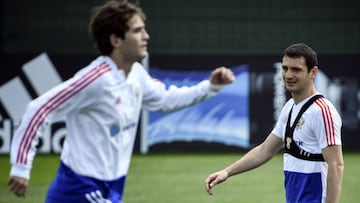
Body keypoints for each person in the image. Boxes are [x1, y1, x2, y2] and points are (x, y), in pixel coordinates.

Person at [8, 0, 235, 202]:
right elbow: (39, 108)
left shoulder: (135, 74)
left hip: (113, 185)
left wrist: (210, 86)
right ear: (116, 40)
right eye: (137, 31)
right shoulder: (96, 79)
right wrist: (21, 166)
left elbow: (166, 100)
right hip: (79, 188)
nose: (146, 36)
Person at [204, 43, 344, 203]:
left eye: (296, 69)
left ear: (313, 72)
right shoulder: (290, 106)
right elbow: (265, 150)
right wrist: (226, 172)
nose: (288, 75)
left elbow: (336, 165)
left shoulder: (322, 111)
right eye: (285, 68)